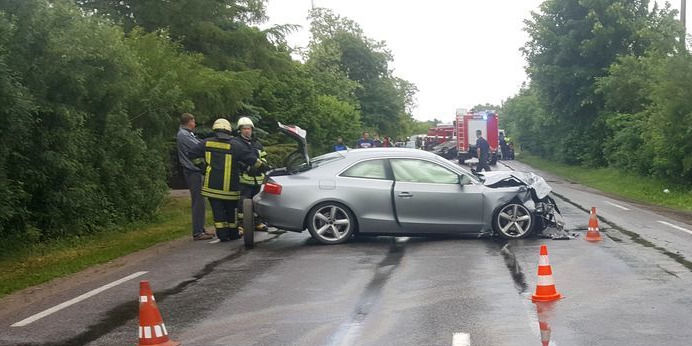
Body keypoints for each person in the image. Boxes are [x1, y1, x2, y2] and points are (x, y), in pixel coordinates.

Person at [189, 118, 266, 242]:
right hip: (231, 188)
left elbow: (191, 154)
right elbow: (251, 159)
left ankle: (223, 235)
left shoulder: (206, 143)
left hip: (212, 187)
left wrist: (203, 168)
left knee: (218, 213)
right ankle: (233, 234)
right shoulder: (236, 145)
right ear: (229, 130)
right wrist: (263, 167)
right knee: (231, 212)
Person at [176, 113, 213, 240]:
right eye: (194, 121)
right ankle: (197, 232)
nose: (195, 124)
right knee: (198, 201)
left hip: (195, 171)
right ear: (189, 122)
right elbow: (199, 147)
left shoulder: (187, 134)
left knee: (201, 201)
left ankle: (201, 229)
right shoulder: (184, 135)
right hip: (192, 171)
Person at [236, 117, 269, 232]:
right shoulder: (237, 143)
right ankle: (241, 225)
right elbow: (236, 160)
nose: (247, 131)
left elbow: (264, 157)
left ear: (252, 129)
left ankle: (257, 222)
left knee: (257, 202)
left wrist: (262, 166)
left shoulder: (257, 144)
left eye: (249, 128)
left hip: (258, 180)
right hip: (244, 180)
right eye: (244, 128)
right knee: (242, 203)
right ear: (240, 130)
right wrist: (247, 167)